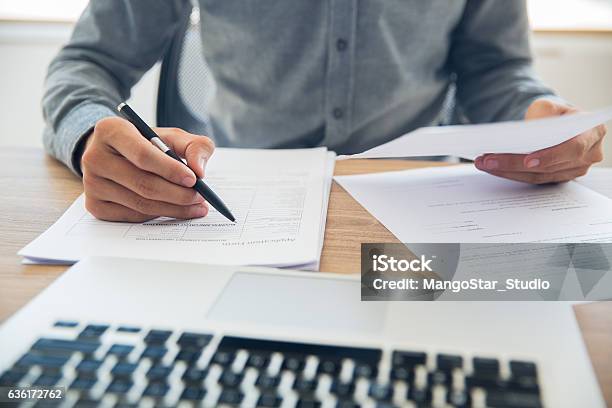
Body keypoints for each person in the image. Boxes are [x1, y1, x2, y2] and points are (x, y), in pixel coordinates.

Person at [42, 0, 607, 222]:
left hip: (422, 208)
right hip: (237, 204)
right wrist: (89, 133)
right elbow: (87, 63)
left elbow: (495, 68)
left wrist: (537, 117)